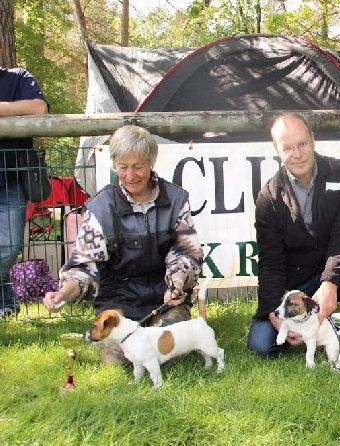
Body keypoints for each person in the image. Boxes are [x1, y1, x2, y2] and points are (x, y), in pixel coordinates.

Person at [43, 125, 204, 364]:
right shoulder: (100, 208)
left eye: (138, 167)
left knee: (167, 355)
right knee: (118, 362)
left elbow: (186, 254)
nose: (130, 176)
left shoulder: (176, 199)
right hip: (118, 303)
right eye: (123, 167)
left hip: (163, 300)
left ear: (151, 163)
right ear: (114, 165)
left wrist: (177, 284)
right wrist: (63, 293)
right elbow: (83, 267)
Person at [248, 113, 340, 358]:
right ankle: (316, 326)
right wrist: (274, 314)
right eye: (288, 148)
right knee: (262, 344)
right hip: (297, 286)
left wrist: (331, 282)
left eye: (302, 144)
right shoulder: (268, 197)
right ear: (277, 150)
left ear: (313, 140)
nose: (297, 153)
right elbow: (270, 262)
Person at [0, 51, 49, 318]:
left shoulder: (18, 77)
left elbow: (39, 108)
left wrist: (2, 109)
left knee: (8, 248)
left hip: (11, 182)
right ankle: (5, 305)